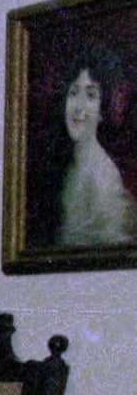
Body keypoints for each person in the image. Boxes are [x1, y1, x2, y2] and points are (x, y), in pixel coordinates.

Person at [51, 43, 133, 248]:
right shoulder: (67, 167)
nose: (78, 107)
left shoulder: (103, 175)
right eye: (73, 92)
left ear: (102, 109)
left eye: (90, 95)